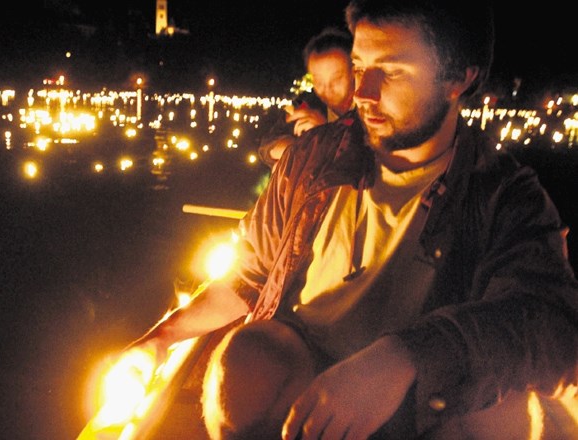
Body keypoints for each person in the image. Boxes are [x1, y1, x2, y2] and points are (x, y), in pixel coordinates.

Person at [128, 0, 578, 438]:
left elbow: (548, 323)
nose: (362, 92)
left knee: (496, 413)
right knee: (245, 358)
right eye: (360, 67)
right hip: (307, 373)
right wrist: (160, 339)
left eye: (394, 71)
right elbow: (250, 274)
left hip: (426, 398)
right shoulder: (312, 160)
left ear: (460, 77)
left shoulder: (503, 194)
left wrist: (404, 357)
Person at [258, 26, 355, 169]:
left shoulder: (370, 109)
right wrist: (295, 149)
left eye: (337, 79)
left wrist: (324, 135)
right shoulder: (306, 105)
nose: (326, 89)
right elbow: (266, 146)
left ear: (354, 72)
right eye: (318, 81)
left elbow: (365, 160)